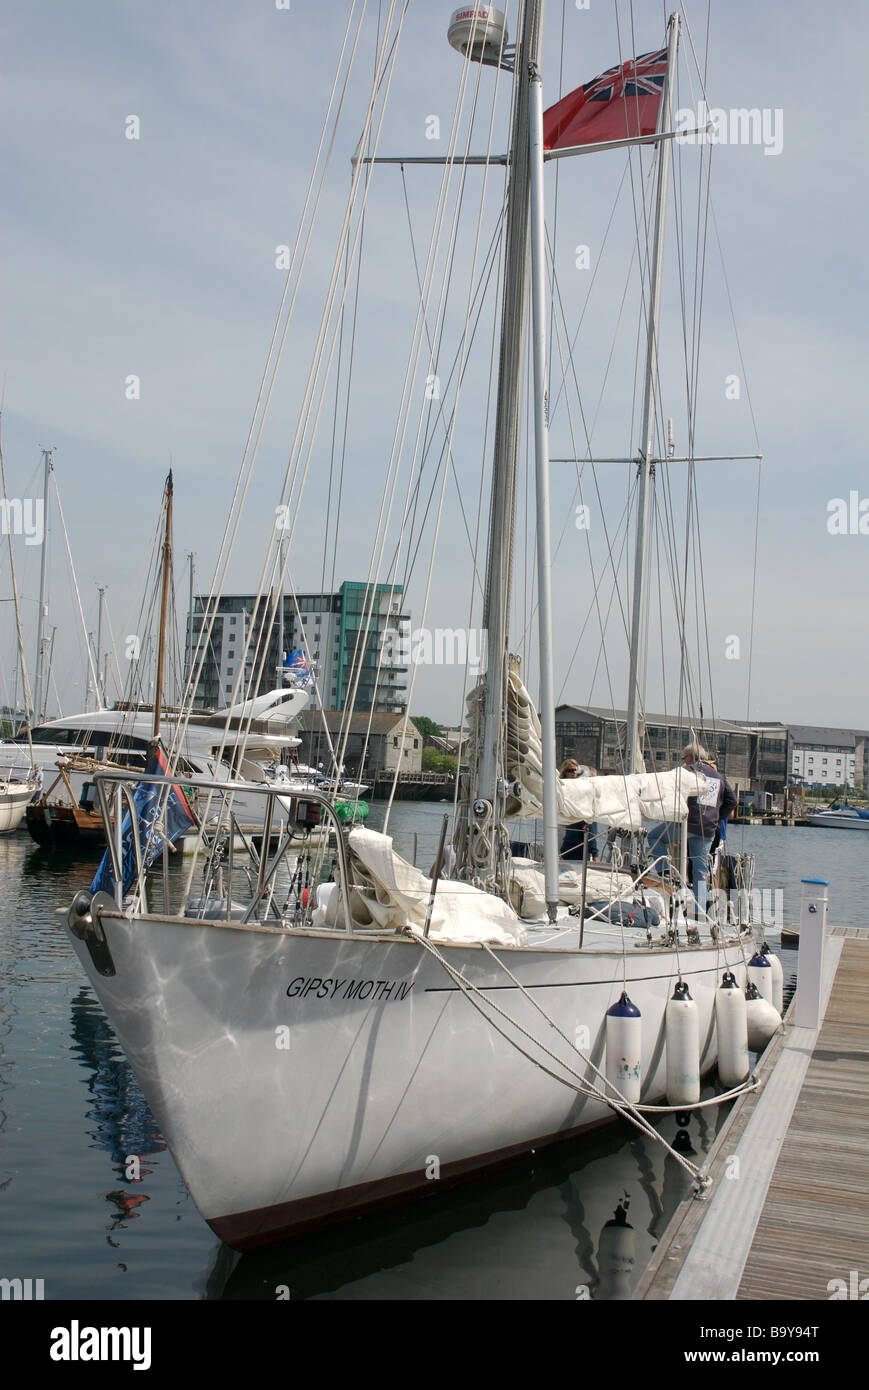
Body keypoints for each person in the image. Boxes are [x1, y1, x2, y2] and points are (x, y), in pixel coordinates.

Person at [645, 743, 736, 917]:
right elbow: (731, 802)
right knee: (700, 871)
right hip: (708, 828)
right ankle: (699, 912)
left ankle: (665, 872)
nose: (684, 761)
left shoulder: (686, 771)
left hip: (686, 824)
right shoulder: (718, 776)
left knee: (655, 837)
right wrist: (717, 815)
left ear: (689, 757)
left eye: (684, 758)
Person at [559, 759, 599, 860]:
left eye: (575, 771)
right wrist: (595, 854)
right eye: (570, 770)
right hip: (569, 843)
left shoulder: (583, 794)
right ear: (564, 772)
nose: (573, 773)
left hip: (578, 846)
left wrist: (594, 853)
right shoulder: (560, 790)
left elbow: (589, 827)